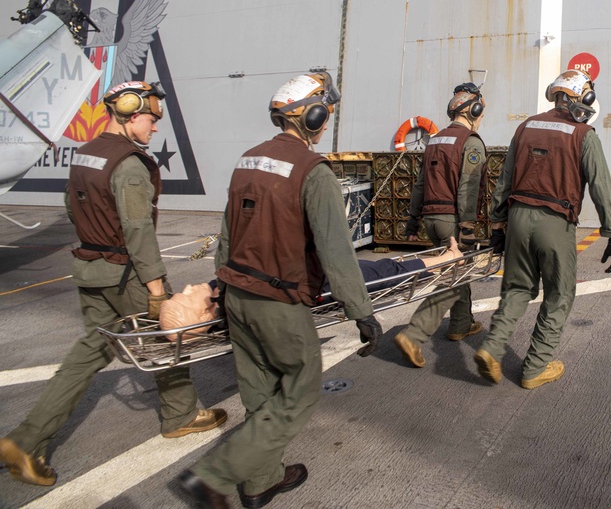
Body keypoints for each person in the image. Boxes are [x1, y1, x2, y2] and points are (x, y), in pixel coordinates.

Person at [0, 81, 227, 487]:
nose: (155, 128)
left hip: (89, 266)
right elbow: (138, 230)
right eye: (151, 119)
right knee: (167, 340)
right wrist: (157, 291)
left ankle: (26, 440)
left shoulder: (87, 153)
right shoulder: (129, 163)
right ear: (129, 111)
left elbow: (72, 206)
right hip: (126, 273)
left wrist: (96, 240)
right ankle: (181, 416)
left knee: (90, 352)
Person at [177, 72, 383, 509]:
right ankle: (213, 475)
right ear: (312, 115)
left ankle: (261, 483)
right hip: (280, 300)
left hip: (237, 295)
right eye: (324, 111)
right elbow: (336, 251)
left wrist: (225, 288)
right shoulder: (314, 171)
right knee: (301, 389)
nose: (326, 119)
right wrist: (360, 312)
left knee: (259, 393)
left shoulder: (247, 160)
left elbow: (226, 238)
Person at [474, 70, 611, 390]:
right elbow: (601, 188)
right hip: (554, 222)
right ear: (577, 97)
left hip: (517, 216)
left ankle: (492, 346)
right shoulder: (584, 134)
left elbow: (505, 180)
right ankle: (535, 367)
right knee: (559, 293)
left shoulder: (526, 126)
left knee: (517, 288)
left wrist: (498, 224)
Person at [162, 238, 468, 335]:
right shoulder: (231, 300)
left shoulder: (222, 291)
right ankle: (449, 258)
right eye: (188, 297)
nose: (188, 285)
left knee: (382, 268)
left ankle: (445, 257)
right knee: (387, 271)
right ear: (206, 313)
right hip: (320, 283)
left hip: (306, 272)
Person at [394, 83, 488, 368]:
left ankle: (461, 324)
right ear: (474, 110)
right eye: (481, 111)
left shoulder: (434, 140)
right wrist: (468, 227)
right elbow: (468, 189)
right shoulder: (470, 141)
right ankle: (414, 334)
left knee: (459, 270)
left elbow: (421, 184)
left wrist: (412, 220)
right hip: (453, 219)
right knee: (451, 277)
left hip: (431, 219)